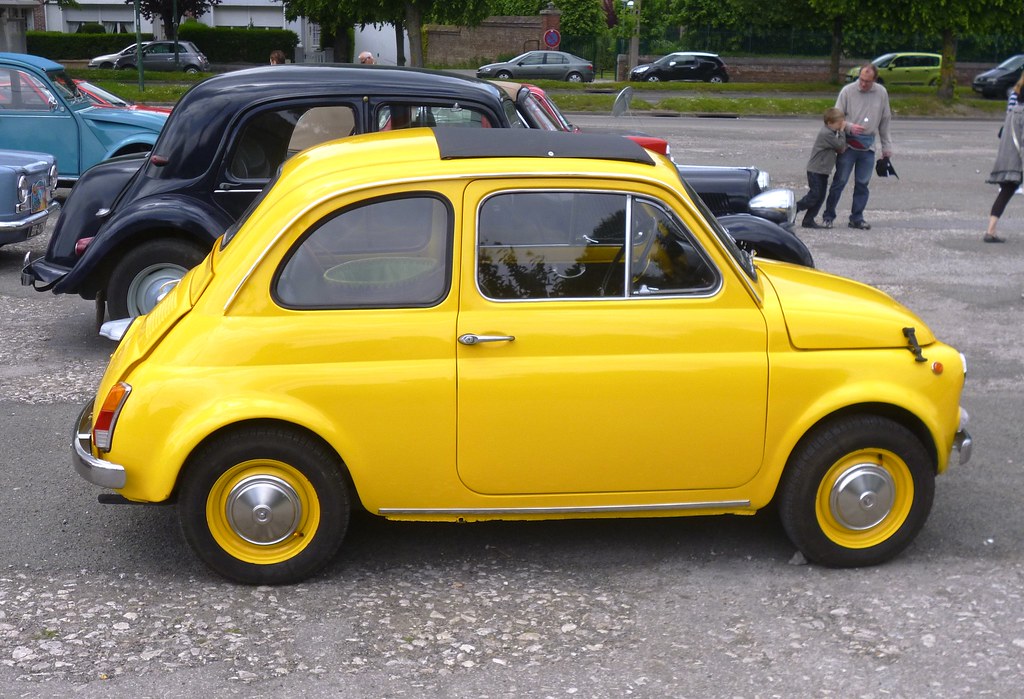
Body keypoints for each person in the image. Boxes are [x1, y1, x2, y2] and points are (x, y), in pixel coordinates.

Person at [822, 63, 892, 230]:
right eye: (861, 79)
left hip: (868, 146)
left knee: (862, 184)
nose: (862, 84)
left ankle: (857, 217)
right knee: (840, 181)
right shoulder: (847, 91)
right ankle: (828, 216)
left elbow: (885, 121)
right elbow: (834, 118)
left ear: (875, 80)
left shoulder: (881, 93)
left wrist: (886, 147)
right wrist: (849, 126)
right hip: (848, 144)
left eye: (867, 81)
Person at [984, 73, 1024, 242]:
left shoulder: (1014, 105)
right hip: (1019, 157)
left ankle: (990, 230)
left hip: (1008, 154)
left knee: (1006, 191)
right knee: (1007, 190)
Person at [796, 107, 846, 229]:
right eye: (839, 123)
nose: (841, 125)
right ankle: (793, 208)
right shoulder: (826, 134)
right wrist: (843, 131)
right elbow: (840, 145)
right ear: (829, 123)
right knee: (814, 195)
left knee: (820, 197)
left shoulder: (831, 132)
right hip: (816, 170)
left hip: (822, 170)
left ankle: (808, 220)